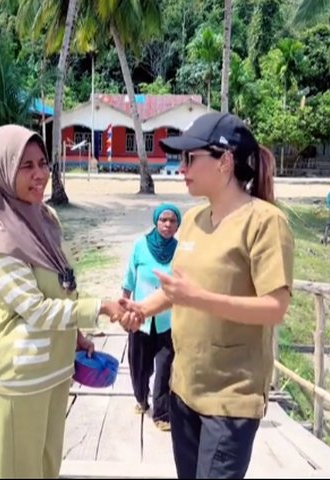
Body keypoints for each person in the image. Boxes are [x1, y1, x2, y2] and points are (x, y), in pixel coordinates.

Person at [119, 112, 294, 479]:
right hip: (184, 389)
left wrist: (198, 298)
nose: (181, 167)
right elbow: (178, 289)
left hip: (230, 399)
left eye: (190, 158)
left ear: (225, 161)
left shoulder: (265, 222)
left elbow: (275, 308)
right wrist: (140, 308)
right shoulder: (196, 218)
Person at [0, 125, 126, 479]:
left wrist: (74, 334)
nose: (39, 174)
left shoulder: (46, 218)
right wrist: (99, 308)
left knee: (47, 469)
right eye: (25, 165)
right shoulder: (0, 240)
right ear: (1, 169)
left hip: (56, 371)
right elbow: (36, 309)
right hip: (18, 379)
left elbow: (63, 286)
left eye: (43, 163)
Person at [122, 203, 181, 431]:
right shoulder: (140, 246)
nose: (167, 225)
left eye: (172, 221)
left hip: (168, 320)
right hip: (140, 319)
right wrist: (124, 308)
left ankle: (162, 414)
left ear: (178, 224)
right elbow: (129, 279)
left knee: (165, 367)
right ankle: (140, 397)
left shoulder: (181, 250)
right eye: (163, 220)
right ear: (156, 222)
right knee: (139, 367)